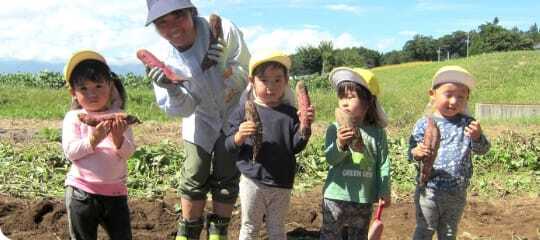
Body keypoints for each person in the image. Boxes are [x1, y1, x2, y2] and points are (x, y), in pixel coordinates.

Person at [143, 0, 251, 239]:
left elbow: (247, 71)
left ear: (192, 12)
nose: (172, 27)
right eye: (162, 22)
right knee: (195, 173)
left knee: (227, 173)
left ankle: (218, 231)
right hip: (199, 117)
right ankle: (189, 231)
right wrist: (171, 88)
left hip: (233, 112)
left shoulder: (224, 30)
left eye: (178, 16)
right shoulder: (162, 58)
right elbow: (184, 109)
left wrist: (225, 67)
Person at [224, 52, 315, 240]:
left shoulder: (290, 114)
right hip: (252, 180)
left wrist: (305, 127)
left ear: (286, 81)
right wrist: (240, 136)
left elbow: (296, 146)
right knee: (249, 226)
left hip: (281, 183)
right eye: (264, 80)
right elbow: (228, 145)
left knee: (277, 228)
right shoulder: (244, 110)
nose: (270, 87)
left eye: (277, 80)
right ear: (252, 81)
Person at [409, 66, 490, 240]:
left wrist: (477, 137)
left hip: (457, 192)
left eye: (461, 96)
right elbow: (411, 153)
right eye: (448, 94)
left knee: (449, 233)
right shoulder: (424, 123)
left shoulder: (468, 123)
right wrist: (417, 152)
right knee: (424, 230)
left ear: (467, 98)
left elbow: (482, 150)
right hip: (429, 190)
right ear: (433, 94)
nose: (454, 101)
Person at [62, 50, 136, 240]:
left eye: (98, 86)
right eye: (84, 89)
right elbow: (71, 152)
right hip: (81, 192)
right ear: (73, 92)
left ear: (110, 86)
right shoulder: (74, 118)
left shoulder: (119, 116)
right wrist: (93, 140)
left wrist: (118, 138)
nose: (92, 94)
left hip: (115, 193)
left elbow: (128, 153)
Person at [320, 67, 391, 240]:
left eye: (351, 97)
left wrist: (384, 189)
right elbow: (331, 159)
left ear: (368, 102)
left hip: (364, 198)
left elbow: (383, 163)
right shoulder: (334, 129)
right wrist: (341, 144)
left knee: (358, 236)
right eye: (342, 97)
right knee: (331, 235)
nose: (344, 102)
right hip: (336, 195)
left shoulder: (377, 132)